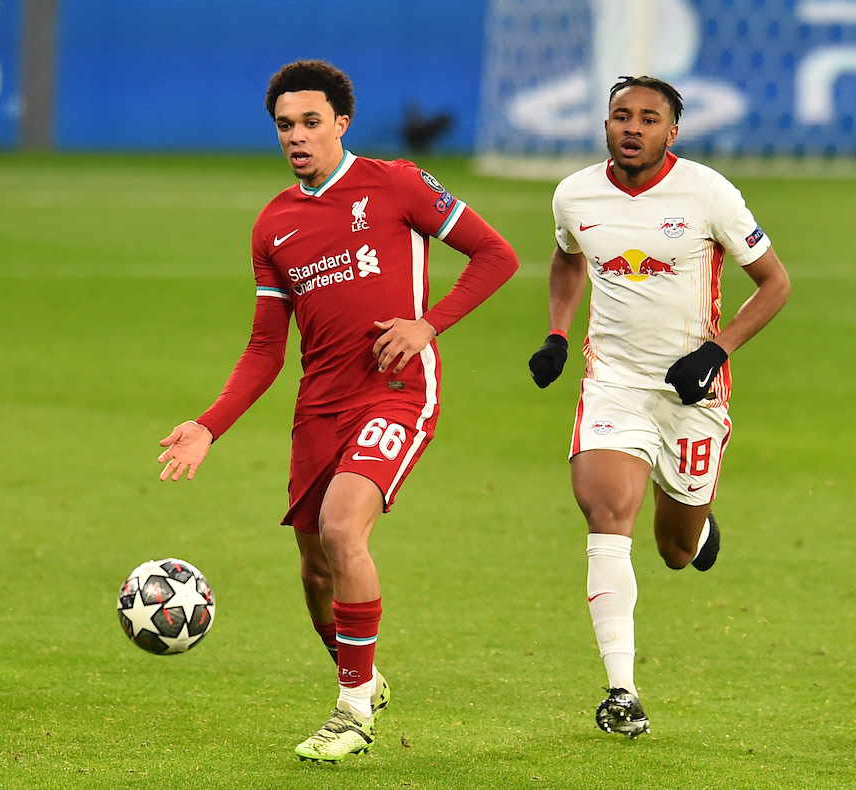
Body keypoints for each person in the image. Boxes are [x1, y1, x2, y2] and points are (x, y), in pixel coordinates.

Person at [158, 60, 519, 761]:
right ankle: (363, 677)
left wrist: (427, 325)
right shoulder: (274, 226)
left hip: (396, 392)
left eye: (311, 122)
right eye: (285, 126)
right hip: (317, 408)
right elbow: (265, 350)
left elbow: (495, 255)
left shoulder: (397, 183)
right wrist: (209, 424)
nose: (297, 136)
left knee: (342, 528)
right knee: (315, 570)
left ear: (342, 122)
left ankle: (352, 712)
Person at [527, 76, 790, 738]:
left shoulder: (708, 193)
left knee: (674, 549)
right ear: (607, 125)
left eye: (649, 118)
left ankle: (698, 531)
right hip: (613, 383)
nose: (632, 127)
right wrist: (559, 333)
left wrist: (717, 352)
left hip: (692, 395)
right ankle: (622, 690)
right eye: (621, 116)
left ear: (672, 132)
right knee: (606, 509)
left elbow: (774, 283)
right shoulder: (575, 194)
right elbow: (567, 259)